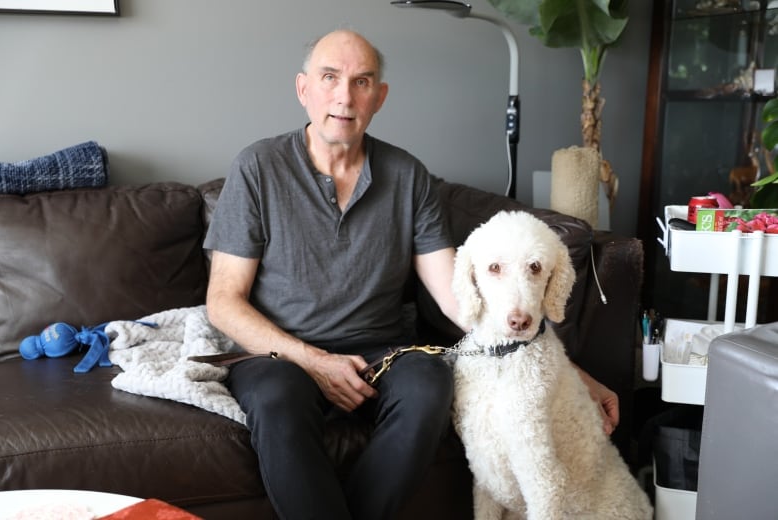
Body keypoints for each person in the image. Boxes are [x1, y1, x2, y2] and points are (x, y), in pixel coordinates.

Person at [203, 29, 619, 520]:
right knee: (275, 400)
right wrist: (314, 361)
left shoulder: (407, 175)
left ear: (379, 97)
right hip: (280, 352)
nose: (344, 95)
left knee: (430, 385)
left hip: (382, 350)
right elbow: (224, 301)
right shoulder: (258, 167)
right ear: (303, 89)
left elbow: (459, 300)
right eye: (330, 78)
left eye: (361, 82)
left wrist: (571, 373)